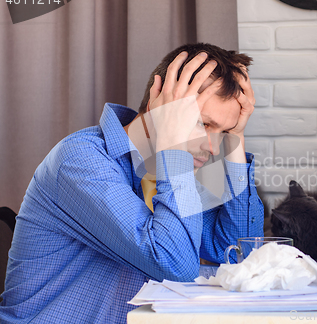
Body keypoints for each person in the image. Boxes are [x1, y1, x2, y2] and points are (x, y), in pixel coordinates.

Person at [0, 43, 264, 323]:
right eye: (202, 123)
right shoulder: (81, 161)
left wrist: (235, 140)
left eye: (222, 131)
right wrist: (174, 148)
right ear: (157, 104)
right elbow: (176, 265)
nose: (213, 147)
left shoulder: (180, 170)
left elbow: (239, 257)